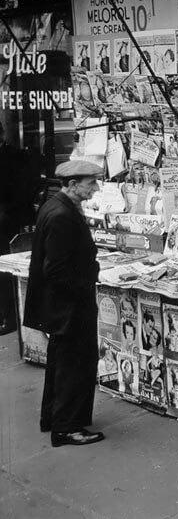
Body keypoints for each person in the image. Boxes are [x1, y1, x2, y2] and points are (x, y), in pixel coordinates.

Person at [23, 160, 106, 447]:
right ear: (72, 185)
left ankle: (54, 418)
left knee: (61, 364)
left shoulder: (55, 206)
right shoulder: (61, 215)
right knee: (76, 365)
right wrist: (85, 284)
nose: (95, 188)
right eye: (90, 183)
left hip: (60, 306)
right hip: (69, 307)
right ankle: (67, 428)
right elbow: (55, 270)